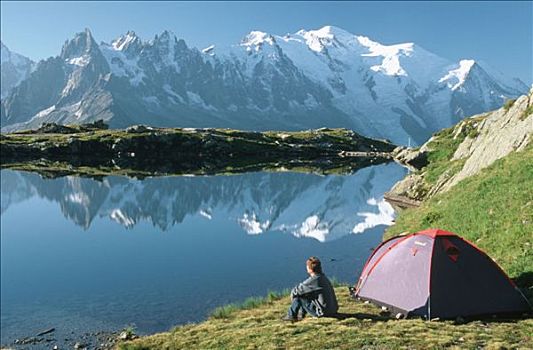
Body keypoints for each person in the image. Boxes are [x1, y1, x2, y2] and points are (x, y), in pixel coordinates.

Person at [283, 256, 339, 321]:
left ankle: (291, 316)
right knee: (306, 294)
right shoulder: (323, 277)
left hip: (324, 313)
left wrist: (293, 299)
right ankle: (301, 314)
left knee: (299, 297)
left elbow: (296, 291)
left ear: (310, 269)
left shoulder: (314, 280)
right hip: (333, 310)